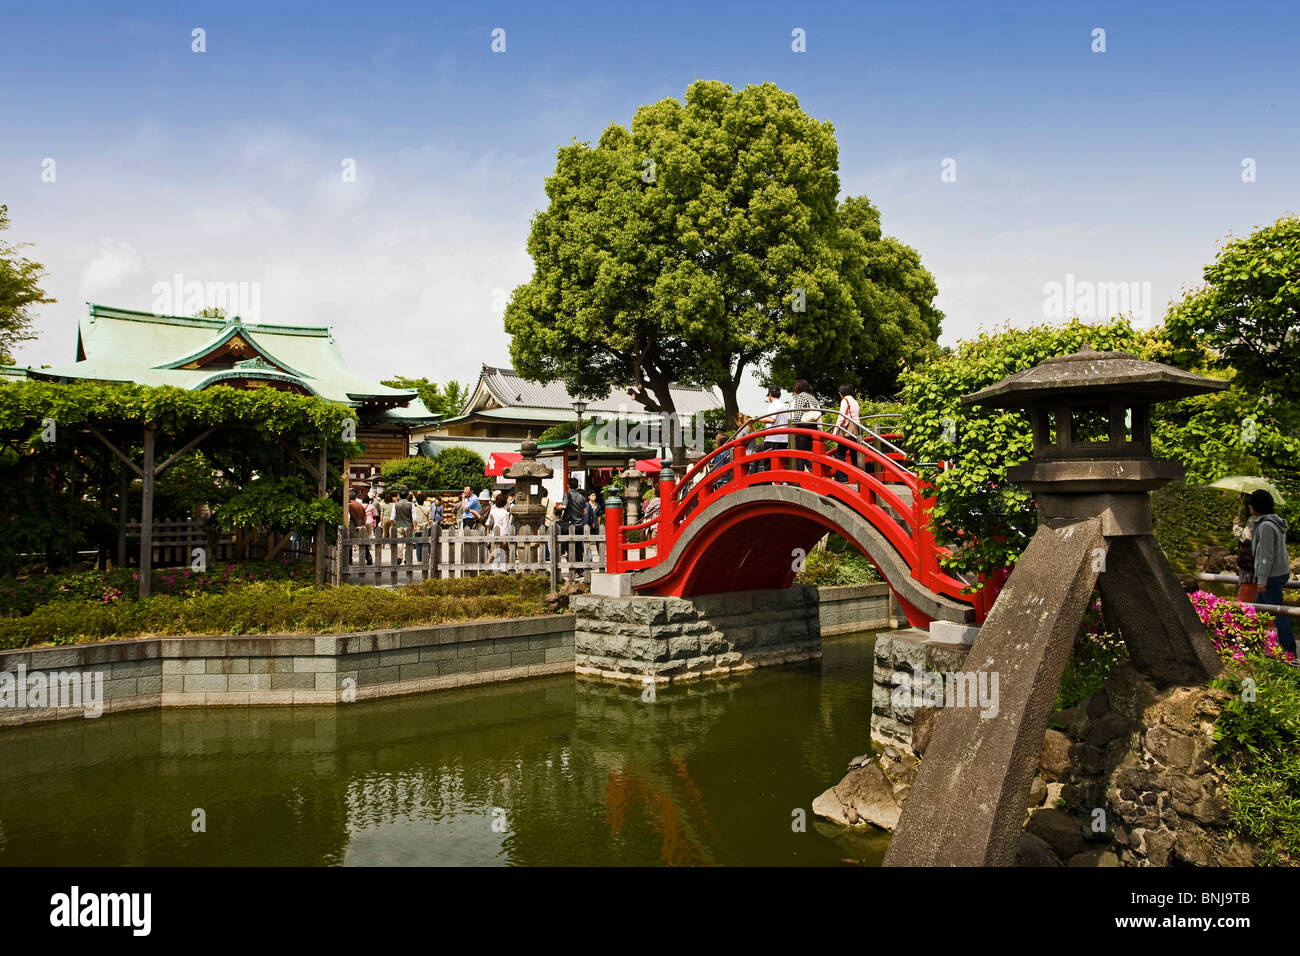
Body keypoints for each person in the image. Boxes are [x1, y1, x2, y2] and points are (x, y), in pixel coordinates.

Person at [1248, 489, 1294, 657]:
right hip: (1279, 572)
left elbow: (1266, 555)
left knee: (1277, 615)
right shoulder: (1276, 522)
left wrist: (1262, 580)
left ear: (1255, 506)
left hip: (1271, 576)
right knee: (1257, 612)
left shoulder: (1266, 525)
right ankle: (1256, 647)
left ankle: (1289, 653)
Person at [833, 383, 863, 482]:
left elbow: (841, 417)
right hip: (856, 430)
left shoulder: (845, 400)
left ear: (841, 393)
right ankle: (860, 478)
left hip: (847, 431)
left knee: (840, 454)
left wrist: (834, 431)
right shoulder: (855, 401)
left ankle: (842, 478)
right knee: (854, 455)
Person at [789, 379, 820, 471]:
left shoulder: (801, 397)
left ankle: (799, 479)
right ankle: (814, 475)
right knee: (810, 454)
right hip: (813, 427)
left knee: (799, 455)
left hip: (803, 428)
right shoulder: (812, 397)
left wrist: (794, 427)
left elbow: (798, 413)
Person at [1232, 495, 1258, 604]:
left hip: (1250, 565)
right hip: (1251, 565)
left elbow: (1246, 537)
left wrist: (1236, 525)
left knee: (1244, 601)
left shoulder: (1254, 519)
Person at [762, 386, 790, 474]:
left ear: (770, 395)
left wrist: (757, 420)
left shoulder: (773, 405)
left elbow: (771, 420)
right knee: (781, 465)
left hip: (773, 439)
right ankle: (780, 482)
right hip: (784, 439)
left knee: (769, 466)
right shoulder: (783, 406)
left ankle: (769, 484)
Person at [560, 478, 588, 566]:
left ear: (568, 485)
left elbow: (564, 506)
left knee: (570, 546)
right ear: (577, 485)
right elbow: (585, 512)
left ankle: (572, 567)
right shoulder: (582, 497)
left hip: (570, 524)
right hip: (580, 525)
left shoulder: (567, 495)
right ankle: (579, 568)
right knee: (579, 547)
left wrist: (557, 508)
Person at [488, 491, 512, 569]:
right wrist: (505, 538)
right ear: (505, 503)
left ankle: (487, 566)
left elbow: (489, 523)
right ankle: (505, 568)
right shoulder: (505, 513)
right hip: (502, 534)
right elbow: (505, 526)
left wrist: (488, 533)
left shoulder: (493, 512)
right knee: (506, 552)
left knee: (492, 551)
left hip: (493, 534)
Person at [348, 490, 372, 565]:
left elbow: (353, 516)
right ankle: (368, 557)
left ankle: (349, 559)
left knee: (349, 542)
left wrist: (356, 524)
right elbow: (365, 516)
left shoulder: (350, 505)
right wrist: (362, 524)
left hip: (353, 524)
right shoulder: (360, 505)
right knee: (363, 543)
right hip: (361, 523)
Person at [392, 491, 414, 565]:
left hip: (398, 525)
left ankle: (399, 557)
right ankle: (407, 558)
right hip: (408, 525)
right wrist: (415, 525)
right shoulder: (411, 504)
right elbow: (414, 517)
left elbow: (392, 517)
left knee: (400, 542)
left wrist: (393, 525)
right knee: (409, 542)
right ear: (407, 496)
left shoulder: (396, 504)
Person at [412, 493, 431, 564]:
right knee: (427, 542)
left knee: (418, 544)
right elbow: (431, 519)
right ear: (424, 500)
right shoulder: (428, 508)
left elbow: (413, 518)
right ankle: (428, 553)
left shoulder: (415, 508)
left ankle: (419, 559)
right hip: (426, 527)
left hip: (417, 527)